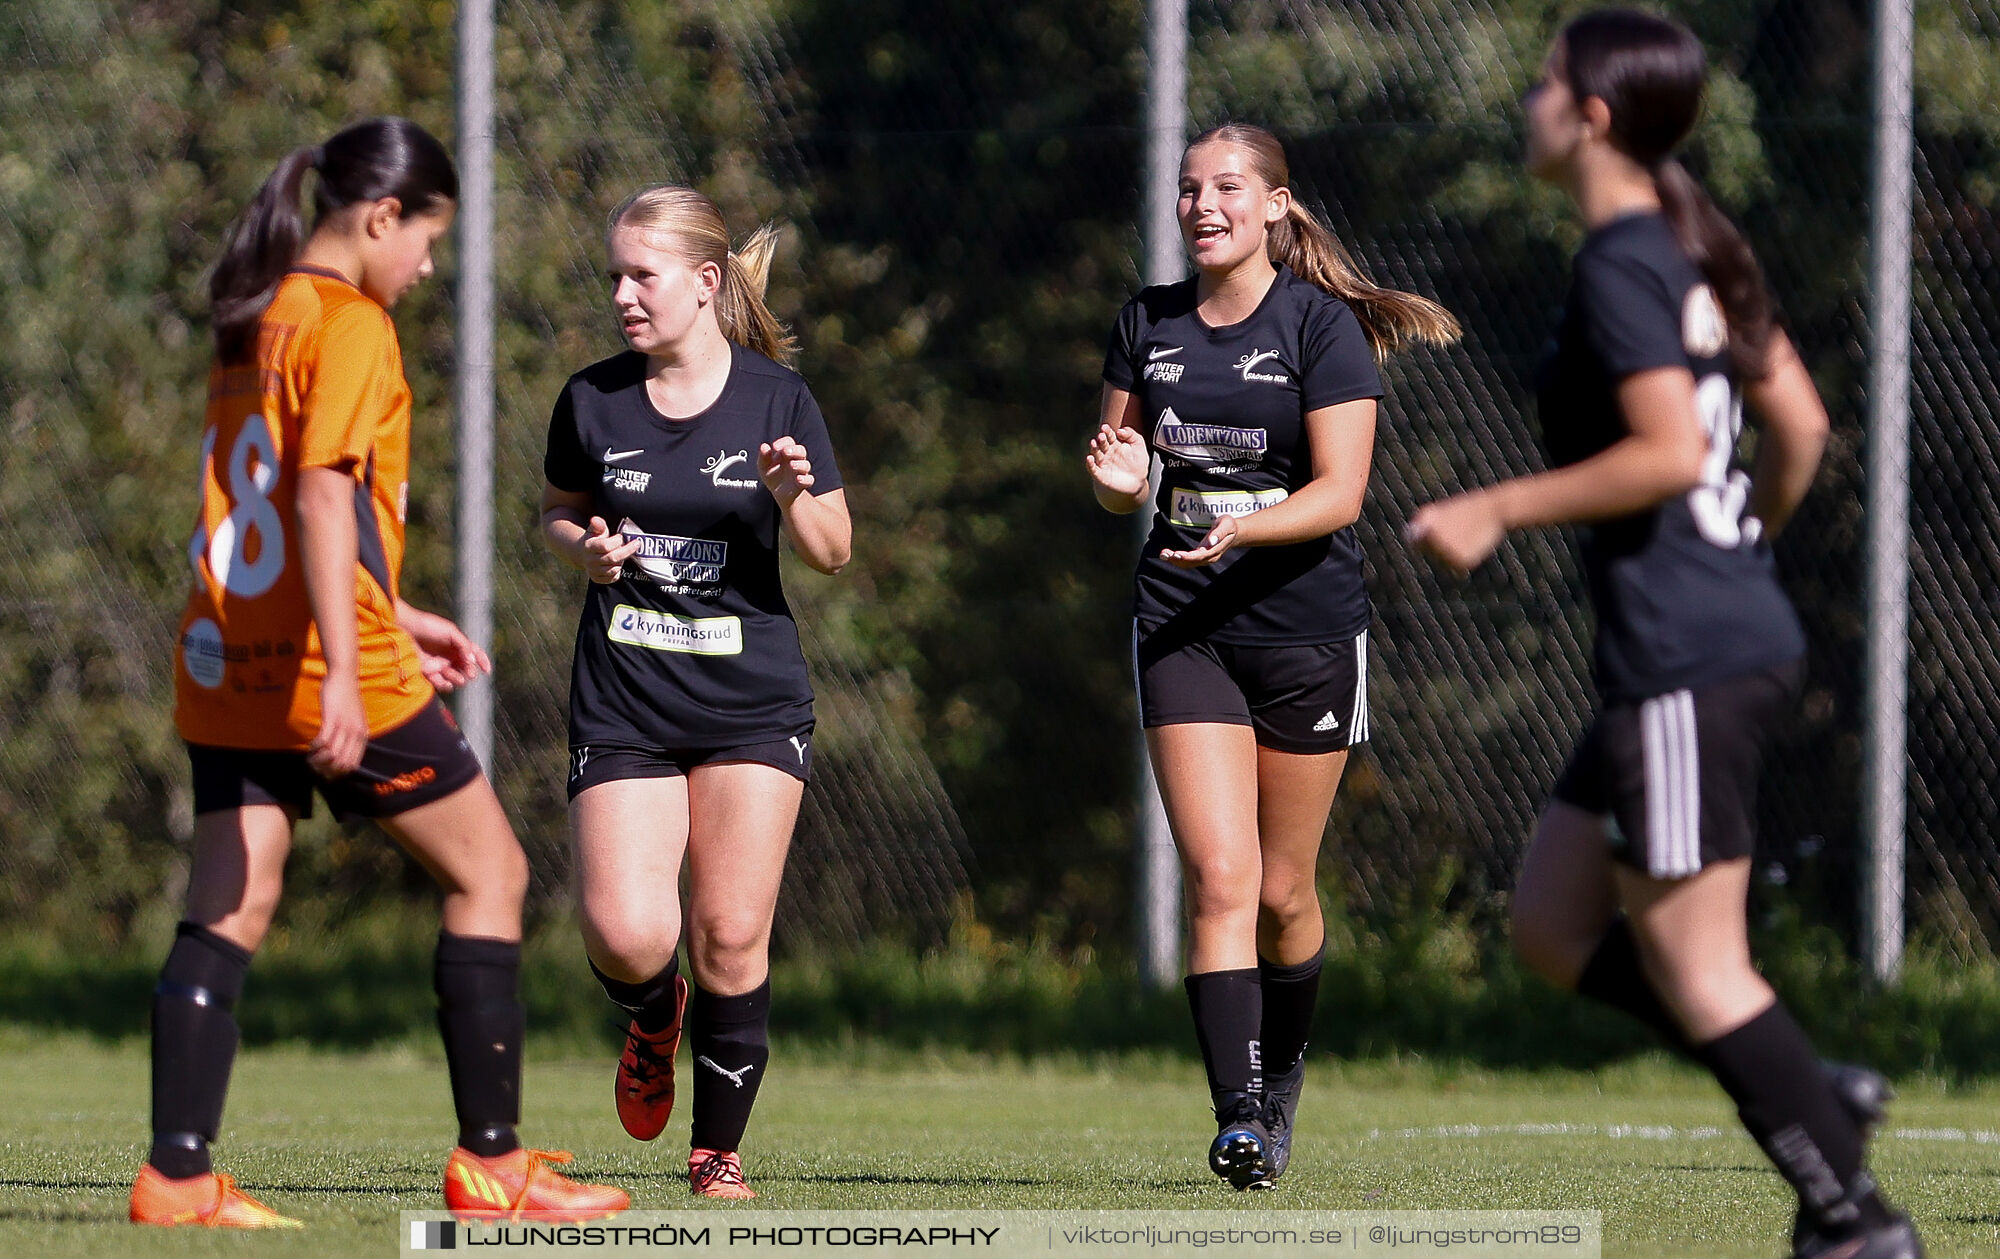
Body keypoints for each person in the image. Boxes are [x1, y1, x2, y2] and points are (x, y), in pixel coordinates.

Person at [1407, 12, 1921, 1259]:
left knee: (1698, 966)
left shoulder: (1623, 261)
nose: (1525, 102)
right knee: (1550, 922)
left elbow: (1672, 451)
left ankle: (1851, 1219)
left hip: (1685, 654)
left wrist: (1493, 505)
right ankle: (1799, 1077)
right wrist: (1742, 547)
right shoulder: (1688, 249)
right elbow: (1791, 425)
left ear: (1589, 114)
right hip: (1688, 644)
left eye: (1541, 85)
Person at [135, 117, 630, 1229]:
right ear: (380, 215)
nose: (423, 267)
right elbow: (315, 496)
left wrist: (393, 611)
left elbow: (262, 512)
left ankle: (174, 1175)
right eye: (426, 241)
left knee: (230, 897)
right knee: (489, 872)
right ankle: (492, 1164)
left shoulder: (254, 312)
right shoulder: (351, 321)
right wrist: (355, 672)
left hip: (228, 656)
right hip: (323, 663)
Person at [1087, 123, 1459, 1190]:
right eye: (1188, 190)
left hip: (1302, 629)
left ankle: (1281, 1073)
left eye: (1227, 188)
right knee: (1218, 874)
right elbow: (1119, 476)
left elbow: (1340, 493)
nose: (1203, 205)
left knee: (1282, 892)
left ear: (1275, 206)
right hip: (1181, 625)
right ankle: (1237, 1116)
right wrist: (1119, 482)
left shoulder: (1319, 327)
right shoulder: (1142, 326)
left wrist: (1245, 529)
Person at [539, 186, 850, 1201]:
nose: (622, 294)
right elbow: (559, 509)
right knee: (629, 932)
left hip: (749, 705)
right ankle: (650, 1011)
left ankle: (717, 1150)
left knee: (728, 928)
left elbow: (833, 551)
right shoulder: (591, 399)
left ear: (706, 283)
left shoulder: (776, 400)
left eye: (643, 275)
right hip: (626, 697)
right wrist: (582, 548)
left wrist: (791, 491)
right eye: (616, 275)